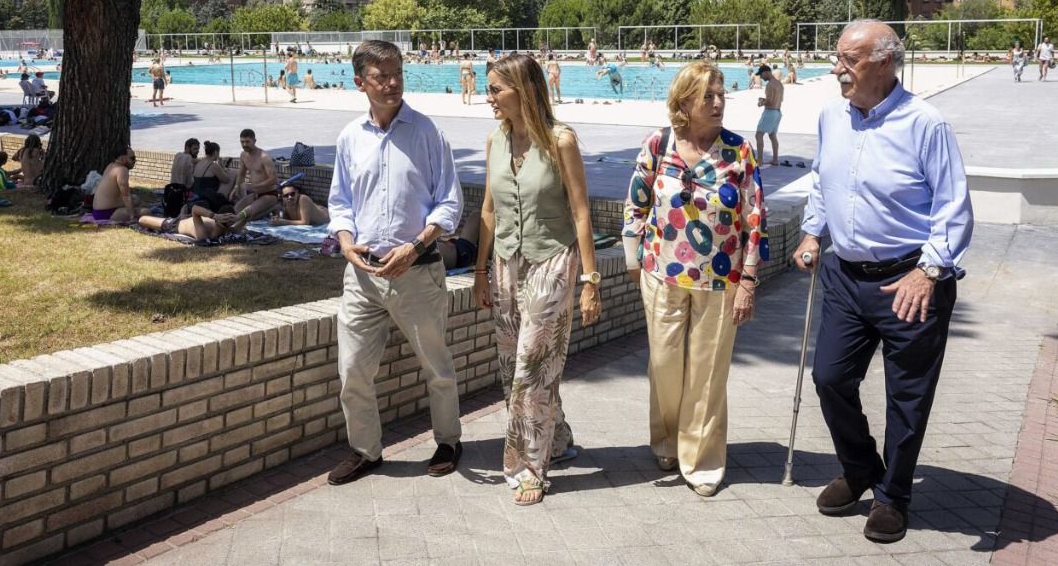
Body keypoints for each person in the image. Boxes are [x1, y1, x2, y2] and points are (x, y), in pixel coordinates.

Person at [794, 20, 973, 544]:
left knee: (906, 397)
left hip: (910, 281)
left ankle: (893, 496)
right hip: (845, 276)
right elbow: (822, 180)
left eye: (848, 60)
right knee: (829, 377)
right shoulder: (832, 116)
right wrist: (811, 233)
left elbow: (953, 206)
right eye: (837, 58)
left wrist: (930, 270)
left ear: (884, 62)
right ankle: (860, 469)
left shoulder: (926, 124)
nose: (837, 69)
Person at [623, 61, 767, 497]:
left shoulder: (739, 151)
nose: (718, 103)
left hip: (721, 280)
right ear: (684, 102)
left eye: (721, 94)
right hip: (660, 274)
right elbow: (636, 204)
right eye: (708, 96)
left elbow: (755, 218)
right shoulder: (659, 143)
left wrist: (748, 280)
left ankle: (702, 460)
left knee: (707, 373)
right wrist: (633, 262)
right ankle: (668, 441)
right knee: (664, 365)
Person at [326, 40, 464, 486]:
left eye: (398, 74)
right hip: (362, 276)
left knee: (436, 367)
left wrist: (415, 247)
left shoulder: (426, 133)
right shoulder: (350, 137)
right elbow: (340, 202)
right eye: (381, 76)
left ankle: (448, 441)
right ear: (359, 82)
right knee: (352, 370)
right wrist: (346, 242)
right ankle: (366, 451)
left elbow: (449, 202)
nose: (392, 83)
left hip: (417, 271)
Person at [473, 54, 601, 505]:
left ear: (523, 90)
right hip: (506, 264)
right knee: (513, 364)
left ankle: (527, 466)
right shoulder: (495, 139)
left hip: (553, 261)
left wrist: (590, 280)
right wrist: (480, 271)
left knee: (531, 365)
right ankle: (557, 436)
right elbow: (488, 210)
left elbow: (581, 212)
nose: (488, 97)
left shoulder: (560, 141)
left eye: (496, 89)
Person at [229, 129, 279, 226]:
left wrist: (255, 186)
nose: (244, 144)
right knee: (236, 210)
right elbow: (241, 174)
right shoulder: (243, 155)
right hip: (255, 194)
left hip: (270, 194)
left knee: (245, 215)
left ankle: (274, 206)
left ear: (254, 141)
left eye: (247, 142)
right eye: (242, 142)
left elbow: (273, 179)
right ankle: (268, 209)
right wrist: (236, 188)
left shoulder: (264, 157)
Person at [139, 204, 241, 242]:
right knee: (142, 217)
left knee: (142, 218)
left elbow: (195, 209)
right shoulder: (229, 229)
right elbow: (195, 208)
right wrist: (239, 217)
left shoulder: (204, 235)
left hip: (173, 225)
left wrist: (215, 216)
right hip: (177, 222)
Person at [92, 147, 139, 222]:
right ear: (123, 158)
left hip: (97, 211)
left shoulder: (111, 165)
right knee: (144, 212)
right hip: (106, 214)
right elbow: (126, 195)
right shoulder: (122, 170)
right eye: (132, 158)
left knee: (136, 199)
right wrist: (132, 217)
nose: (134, 161)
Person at [191, 141, 234, 211]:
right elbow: (226, 180)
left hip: (196, 194)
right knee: (234, 173)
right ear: (216, 152)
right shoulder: (213, 166)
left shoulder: (199, 163)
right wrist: (222, 167)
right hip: (207, 198)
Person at [755, 64, 784, 166]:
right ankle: (775, 159)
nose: (761, 77)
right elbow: (780, 99)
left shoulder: (770, 85)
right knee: (772, 135)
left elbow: (770, 101)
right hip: (777, 112)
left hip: (770, 112)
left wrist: (761, 103)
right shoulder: (779, 84)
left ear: (766, 72)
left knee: (759, 135)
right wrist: (765, 100)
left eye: (761, 74)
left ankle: (759, 161)